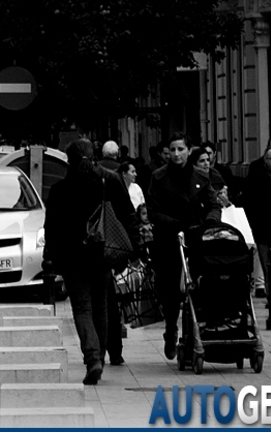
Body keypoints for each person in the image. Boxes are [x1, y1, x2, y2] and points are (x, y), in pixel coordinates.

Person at [44, 138, 139, 385]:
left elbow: (51, 228)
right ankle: (102, 356)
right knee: (101, 307)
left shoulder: (59, 190)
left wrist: (50, 259)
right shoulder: (109, 182)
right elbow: (128, 216)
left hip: (72, 257)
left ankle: (92, 358)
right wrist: (135, 248)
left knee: (82, 308)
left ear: (69, 161)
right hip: (102, 253)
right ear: (93, 156)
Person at [146, 132, 221, 360]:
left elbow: (213, 203)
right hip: (169, 241)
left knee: (197, 287)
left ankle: (193, 334)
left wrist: (210, 221)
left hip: (196, 238)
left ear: (189, 150)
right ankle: (171, 330)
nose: (177, 154)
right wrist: (173, 224)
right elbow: (152, 211)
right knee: (170, 293)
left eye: (181, 149)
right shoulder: (159, 178)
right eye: (173, 149)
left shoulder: (201, 175)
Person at [242, 147, 271, 299]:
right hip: (262, 224)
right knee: (265, 262)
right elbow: (250, 197)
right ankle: (265, 287)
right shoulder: (256, 169)